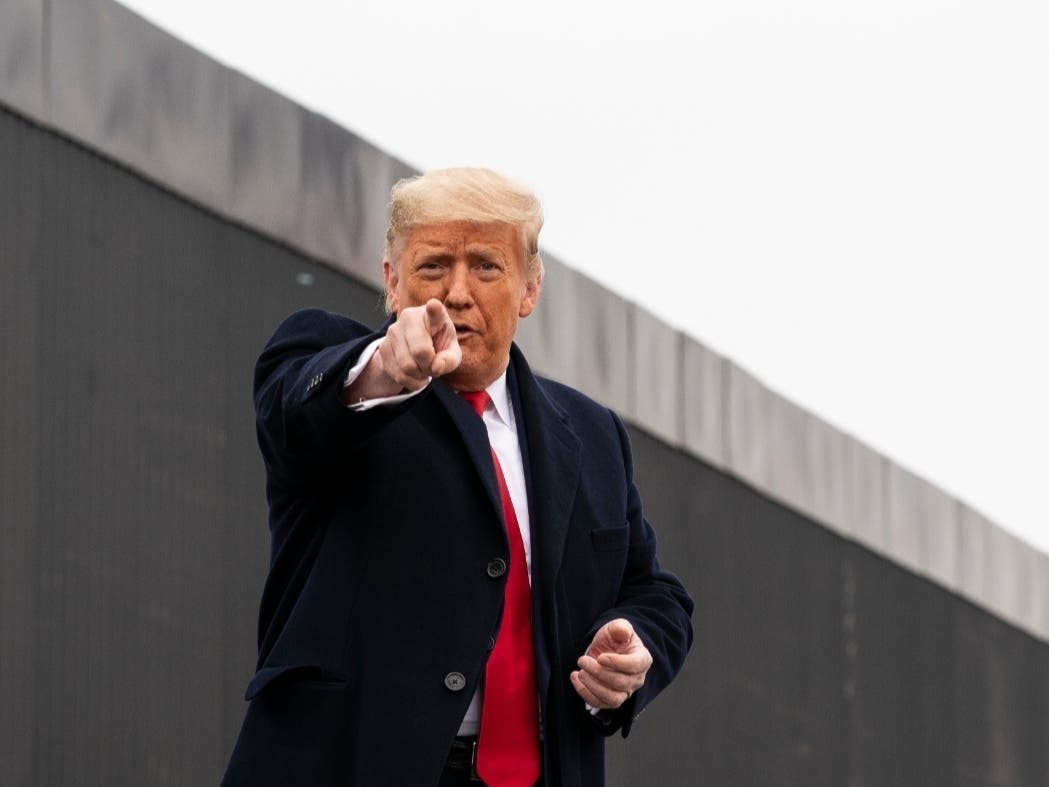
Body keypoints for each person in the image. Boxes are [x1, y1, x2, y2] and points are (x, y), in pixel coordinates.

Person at [222, 168, 693, 786]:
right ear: (392, 281)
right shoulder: (341, 376)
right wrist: (387, 369)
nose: (457, 293)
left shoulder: (592, 433)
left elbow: (657, 594)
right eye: (433, 266)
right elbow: (296, 417)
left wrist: (636, 652)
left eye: (487, 267)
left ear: (530, 289)